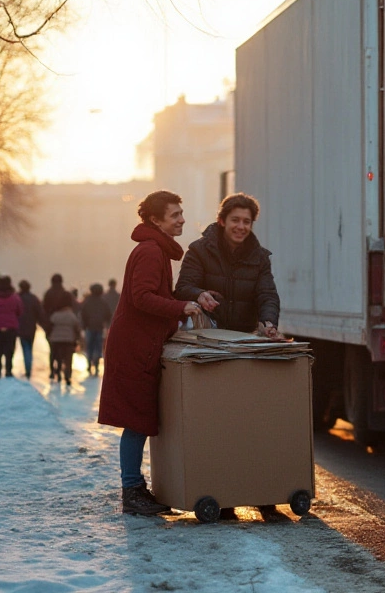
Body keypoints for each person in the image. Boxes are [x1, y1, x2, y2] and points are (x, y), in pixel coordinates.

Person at [98, 190, 201, 516]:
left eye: (181, 213)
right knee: (136, 420)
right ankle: (131, 490)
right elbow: (141, 297)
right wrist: (181, 306)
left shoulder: (155, 250)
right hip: (134, 350)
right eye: (175, 215)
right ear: (156, 220)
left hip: (140, 347)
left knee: (139, 419)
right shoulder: (150, 252)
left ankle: (135, 488)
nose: (182, 219)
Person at [174, 193, 281, 339]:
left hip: (244, 337)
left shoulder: (260, 258)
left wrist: (269, 322)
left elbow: (267, 295)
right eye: (235, 220)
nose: (241, 227)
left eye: (246, 222)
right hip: (205, 337)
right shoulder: (199, 250)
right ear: (222, 221)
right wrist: (198, 294)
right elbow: (183, 288)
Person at [47, 299, 83, 386]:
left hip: (56, 340)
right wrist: (77, 339)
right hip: (68, 340)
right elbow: (77, 328)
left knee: (55, 356)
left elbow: (49, 327)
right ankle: (67, 375)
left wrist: (48, 336)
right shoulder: (72, 316)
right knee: (68, 359)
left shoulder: (55, 315)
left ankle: (55, 371)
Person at [80, 283, 111, 376]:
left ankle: (89, 364)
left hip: (89, 327)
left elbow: (83, 314)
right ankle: (96, 365)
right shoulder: (103, 302)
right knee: (98, 347)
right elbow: (108, 314)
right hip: (99, 328)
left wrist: (84, 325)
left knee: (89, 347)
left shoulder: (87, 301)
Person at [16, 280, 46, 378]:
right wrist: (43, 325)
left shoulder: (17, 298)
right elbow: (40, 313)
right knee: (30, 347)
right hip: (31, 326)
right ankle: (29, 368)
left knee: (25, 347)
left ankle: (27, 368)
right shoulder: (34, 299)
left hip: (20, 326)